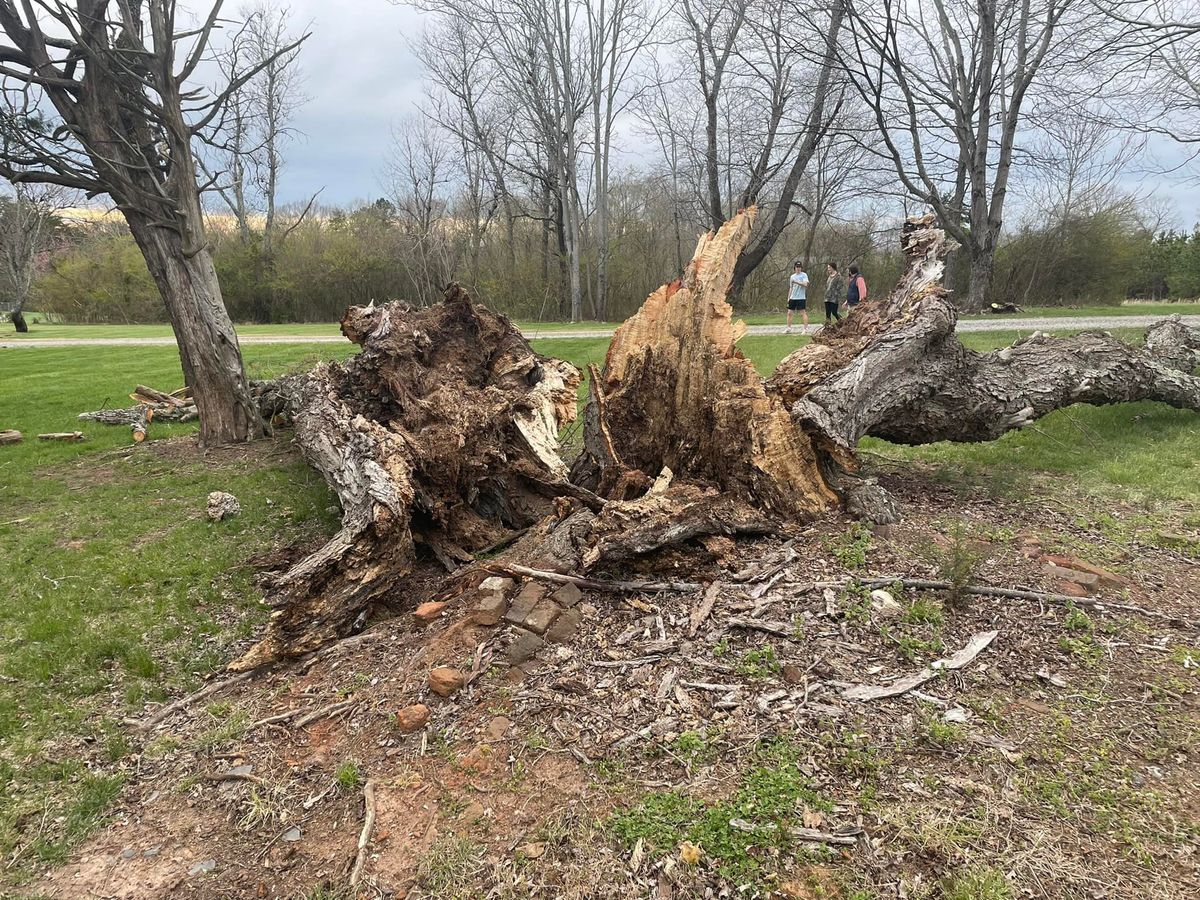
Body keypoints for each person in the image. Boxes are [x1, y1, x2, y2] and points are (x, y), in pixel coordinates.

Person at [786, 260, 809, 333]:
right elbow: (791, 287)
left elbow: (805, 284)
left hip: (801, 297)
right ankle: (789, 328)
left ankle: (805, 329)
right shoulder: (792, 276)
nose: (798, 268)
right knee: (789, 313)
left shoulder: (804, 275)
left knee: (803, 313)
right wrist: (788, 297)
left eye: (799, 267)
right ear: (794, 268)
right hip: (793, 297)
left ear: (801, 268)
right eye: (797, 267)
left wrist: (796, 282)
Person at [824, 262, 845, 326]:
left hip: (834, 298)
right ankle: (828, 326)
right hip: (827, 297)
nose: (828, 269)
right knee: (828, 313)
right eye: (828, 268)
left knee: (834, 312)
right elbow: (827, 286)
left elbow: (840, 287)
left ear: (833, 267)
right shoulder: (829, 277)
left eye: (829, 267)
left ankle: (842, 322)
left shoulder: (839, 277)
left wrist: (836, 295)